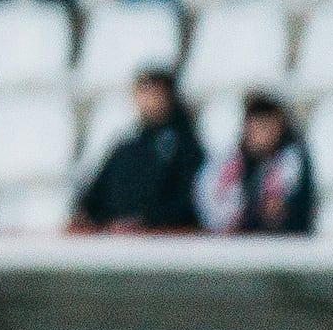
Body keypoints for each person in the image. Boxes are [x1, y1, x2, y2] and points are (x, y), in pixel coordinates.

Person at [73, 69, 203, 234]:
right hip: (122, 240)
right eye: (142, 93)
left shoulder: (186, 146)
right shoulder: (126, 147)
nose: (147, 100)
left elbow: (187, 200)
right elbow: (94, 197)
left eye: (153, 93)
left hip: (166, 241)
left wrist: (146, 221)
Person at [202, 94, 315, 236]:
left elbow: (290, 214)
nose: (257, 135)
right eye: (253, 129)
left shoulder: (292, 161)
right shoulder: (244, 163)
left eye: (264, 127)